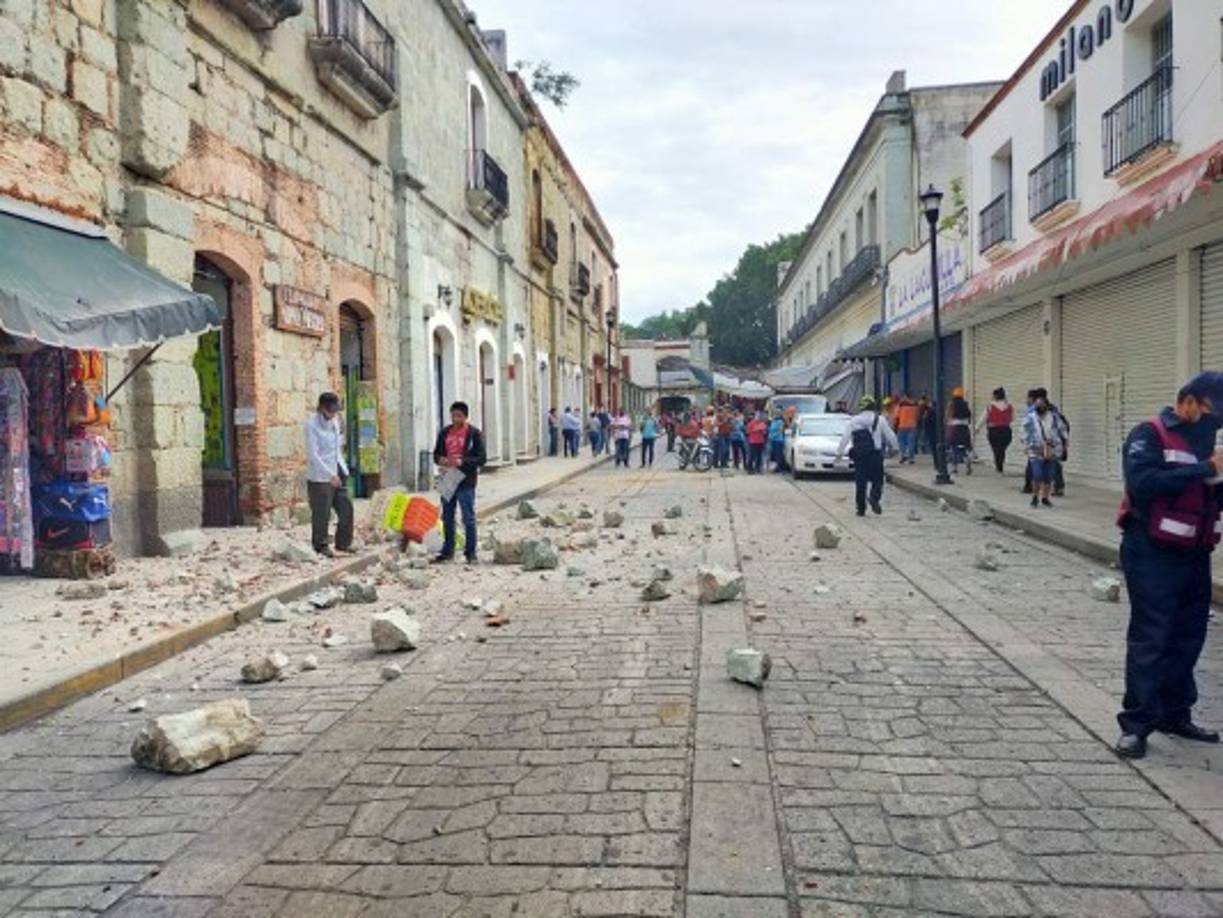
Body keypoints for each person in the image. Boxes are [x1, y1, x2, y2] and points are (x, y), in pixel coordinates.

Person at [1113, 372, 1223, 760]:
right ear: (1188, 401)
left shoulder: (1208, 439)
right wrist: (1206, 469)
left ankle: (1177, 714)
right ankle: (1137, 725)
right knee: (1152, 636)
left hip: (1195, 553)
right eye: (1212, 413)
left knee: (1188, 636)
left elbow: (1210, 495)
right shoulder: (1149, 434)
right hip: (1151, 550)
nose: (1216, 423)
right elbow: (1143, 483)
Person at [432, 400, 486, 565]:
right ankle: (447, 551)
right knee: (447, 517)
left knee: (468, 517)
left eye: (459, 416)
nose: (456, 419)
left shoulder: (474, 434)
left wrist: (463, 462)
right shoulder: (444, 432)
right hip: (447, 477)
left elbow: (482, 458)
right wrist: (440, 459)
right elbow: (436, 454)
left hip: (466, 480)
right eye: (453, 415)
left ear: (466, 416)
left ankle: (470, 553)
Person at [305, 392, 353, 558]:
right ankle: (321, 546)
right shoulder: (311, 425)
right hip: (320, 476)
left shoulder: (336, 422)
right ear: (321, 408)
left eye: (335, 411)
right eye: (331, 411)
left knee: (346, 508)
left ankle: (344, 543)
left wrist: (342, 471)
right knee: (322, 513)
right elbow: (313, 454)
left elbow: (338, 448)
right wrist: (329, 474)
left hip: (338, 470)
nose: (333, 414)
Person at [836, 395, 899, 516]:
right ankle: (874, 497)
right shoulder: (880, 419)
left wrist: (839, 453)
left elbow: (845, 438)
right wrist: (895, 448)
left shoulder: (854, 420)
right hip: (875, 455)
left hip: (859, 455)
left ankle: (861, 508)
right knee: (878, 480)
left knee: (861, 482)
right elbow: (890, 435)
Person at [1022, 392, 1062, 508]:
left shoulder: (1054, 417)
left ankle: (1045, 498)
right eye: (1037, 404)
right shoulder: (1030, 417)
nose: (1040, 406)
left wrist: (1061, 444)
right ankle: (1035, 497)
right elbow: (1024, 432)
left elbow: (1061, 430)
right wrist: (1028, 445)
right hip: (1036, 450)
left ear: (1047, 405)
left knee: (1048, 476)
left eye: (1042, 404)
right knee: (1037, 475)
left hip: (1051, 449)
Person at [977, 387, 1014, 474]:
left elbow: (983, 418)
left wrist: (977, 428)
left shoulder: (990, 406)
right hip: (1006, 430)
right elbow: (1012, 418)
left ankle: (999, 467)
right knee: (1001, 450)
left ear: (995, 396)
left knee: (996, 450)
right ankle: (1000, 466)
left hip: (994, 431)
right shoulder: (1009, 406)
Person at [946, 387, 973, 475]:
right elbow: (969, 416)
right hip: (964, 428)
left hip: (953, 428)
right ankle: (967, 460)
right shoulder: (965, 404)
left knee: (953, 447)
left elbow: (948, 415)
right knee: (966, 446)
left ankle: (954, 467)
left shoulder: (951, 404)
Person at [895, 394, 919, 464]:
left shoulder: (900, 405)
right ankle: (911, 458)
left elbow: (896, 416)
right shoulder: (915, 406)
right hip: (912, 426)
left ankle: (903, 455)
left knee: (901, 442)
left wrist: (895, 426)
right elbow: (917, 416)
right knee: (911, 442)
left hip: (902, 426)